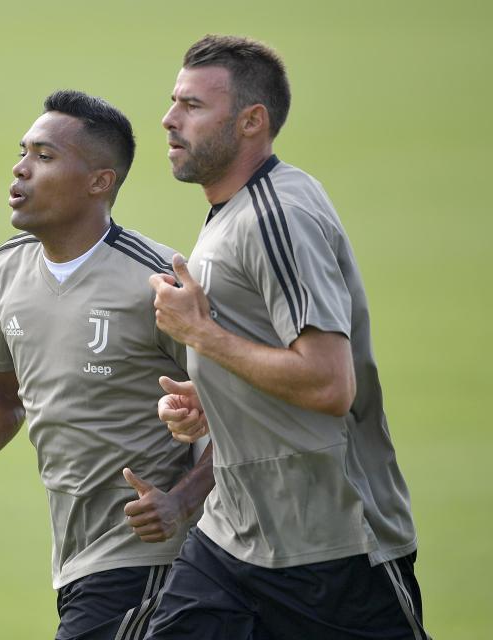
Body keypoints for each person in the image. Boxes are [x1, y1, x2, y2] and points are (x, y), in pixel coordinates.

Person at [144, 35, 429, 639]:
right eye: (174, 101)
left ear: (252, 121)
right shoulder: (231, 210)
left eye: (193, 106)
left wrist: (202, 335)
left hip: (332, 551)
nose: (169, 119)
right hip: (231, 542)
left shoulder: (280, 215)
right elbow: (264, 350)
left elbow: (328, 384)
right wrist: (211, 395)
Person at [0, 90, 214, 640]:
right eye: (23, 152)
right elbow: (5, 395)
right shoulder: (4, 271)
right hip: (75, 555)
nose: (20, 169)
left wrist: (184, 500)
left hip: (151, 555)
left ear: (100, 181)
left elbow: (246, 406)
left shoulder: (159, 282)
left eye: (45, 157)